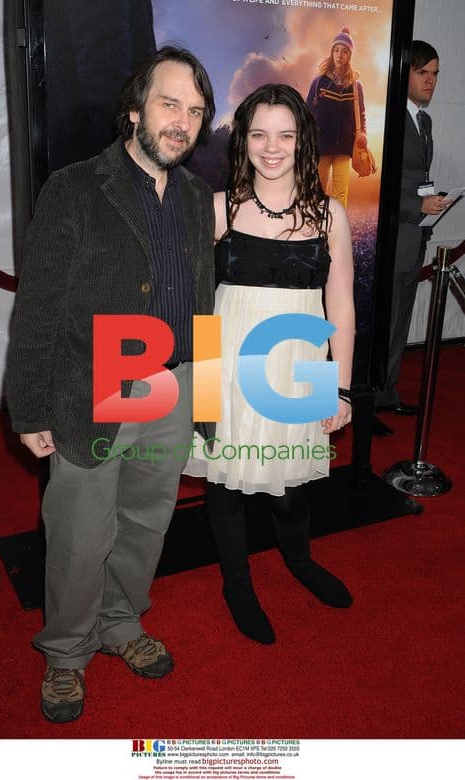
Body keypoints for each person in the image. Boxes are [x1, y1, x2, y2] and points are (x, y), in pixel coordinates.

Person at [5, 46, 215, 723]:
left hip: (173, 384)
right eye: (169, 103)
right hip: (96, 386)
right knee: (78, 533)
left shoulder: (192, 194)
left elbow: (202, 300)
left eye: (195, 110)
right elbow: (37, 308)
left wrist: (204, 398)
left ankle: (122, 622)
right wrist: (29, 406)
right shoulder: (74, 189)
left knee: (146, 520)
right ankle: (66, 653)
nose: (181, 121)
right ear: (133, 111)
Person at [185, 84, 356, 644]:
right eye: (259, 133)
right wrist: (203, 390)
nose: (272, 146)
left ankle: (300, 561)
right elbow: (198, 303)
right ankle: (237, 584)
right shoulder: (219, 207)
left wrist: (342, 390)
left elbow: (342, 306)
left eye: (285, 133)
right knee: (226, 485)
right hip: (229, 367)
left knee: (290, 487)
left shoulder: (329, 214)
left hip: (297, 369)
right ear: (244, 141)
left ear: (303, 140)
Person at [374, 41, 450, 432]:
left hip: (413, 239)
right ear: (405, 74)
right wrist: (415, 206)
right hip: (389, 238)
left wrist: (429, 205)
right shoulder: (389, 118)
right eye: (424, 73)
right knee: (379, 324)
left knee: (400, 323)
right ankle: (365, 402)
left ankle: (386, 394)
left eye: (436, 74)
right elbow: (377, 183)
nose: (432, 81)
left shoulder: (425, 120)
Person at [306, 27, 369, 208]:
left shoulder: (356, 86)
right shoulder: (319, 82)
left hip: (344, 147)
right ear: (331, 52)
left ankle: (335, 232)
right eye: (336, 50)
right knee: (317, 191)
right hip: (321, 145)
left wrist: (361, 135)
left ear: (349, 56)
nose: (339, 55)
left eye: (344, 51)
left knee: (340, 194)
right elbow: (307, 113)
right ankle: (315, 230)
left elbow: (361, 114)